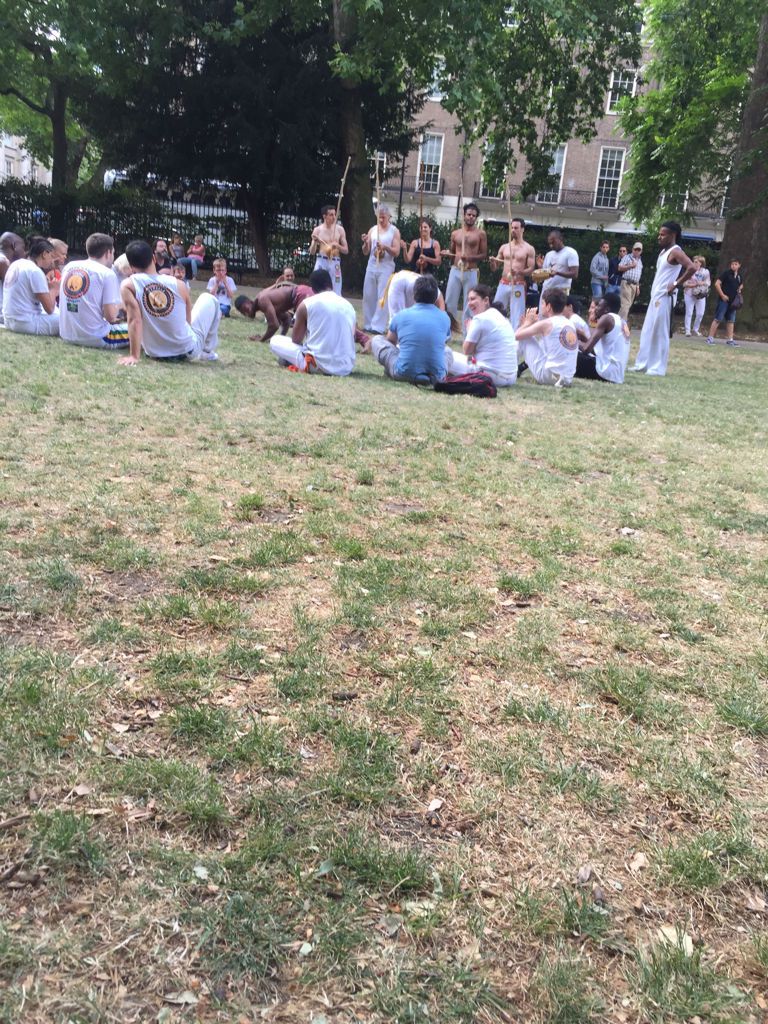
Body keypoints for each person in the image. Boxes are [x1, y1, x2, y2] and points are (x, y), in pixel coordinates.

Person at [117, 239, 220, 366]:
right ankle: (207, 351)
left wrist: (134, 356)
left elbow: (134, 320)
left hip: (154, 352)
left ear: (132, 267)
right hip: (187, 350)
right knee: (209, 298)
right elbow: (187, 322)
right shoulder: (179, 284)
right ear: (154, 259)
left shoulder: (128, 285)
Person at [631, 222, 694, 376]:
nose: (659, 237)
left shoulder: (676, 251)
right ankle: (642, 364)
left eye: (663, 234)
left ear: (672, 235)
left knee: (660, 332)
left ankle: (657, 368)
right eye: (659, 234)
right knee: (647, 331)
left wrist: (676, 283)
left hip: (665, 297)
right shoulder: (663, 252)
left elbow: (692, 267)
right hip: (656, 296)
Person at [269, 268, 356, 376]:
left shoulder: (307, 304)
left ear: (313, 289)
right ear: (331, 285)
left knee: (275, 340)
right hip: (345, 368)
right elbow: (352, 337)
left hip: (316, 364)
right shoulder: (349, 306)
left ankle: (294, 360)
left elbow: (296, 340)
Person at [370, 273, 453, 384]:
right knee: (447, 351)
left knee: (377, 340)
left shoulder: (401, 315)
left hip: (403, 373)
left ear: (414, 295)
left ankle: (393, 369)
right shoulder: (445, 318)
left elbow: (391, 342)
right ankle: (440, 373)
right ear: (435, 297)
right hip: (435, 376)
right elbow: (443, 342)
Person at [58, 232, 128, 349]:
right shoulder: (107, 274)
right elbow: (111, 317)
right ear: (108, 253)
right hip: (96, 336)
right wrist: (122, 305)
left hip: (66, 333)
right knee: (138, 328)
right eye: (113, 253)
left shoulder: (69, 267)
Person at [449, 284, 517, 386]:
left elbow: (467, 351)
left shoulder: (480, 319)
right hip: (511, 378)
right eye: (468, 300)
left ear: (486, 300)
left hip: (489, 375)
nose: (469, 303)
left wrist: (469, 330)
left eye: (473, 299)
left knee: (444, 354)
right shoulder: (501, 317)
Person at [514, 288, 578, 387]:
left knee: (524, 338)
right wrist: (531, 325)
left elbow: (516, 336)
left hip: (549, 377)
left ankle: (509, 370)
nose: (541, 306)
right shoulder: (570, 323)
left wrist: (527, 323)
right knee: (532, 338)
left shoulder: (547, 323)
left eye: (542, 303)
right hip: (567, 378)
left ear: (548, 307)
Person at [1, 236, 59, 336]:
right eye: (52, 256)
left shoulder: (16, 264)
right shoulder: (35, 271)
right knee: (66, 319)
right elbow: (49, 309)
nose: (52, 261)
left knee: (58, 312)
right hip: (25, 323)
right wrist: (54, 289)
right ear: (44, 254)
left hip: (9, 320)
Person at [441, 202, 488, 327]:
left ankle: (467, 332)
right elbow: (452, 252)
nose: (471, 217)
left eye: (474, 215)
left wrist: (469, 258)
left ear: (476, 217)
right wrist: (446, 253)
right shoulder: (455, 233)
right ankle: (449, 330)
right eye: (469, 214)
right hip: (455, 270)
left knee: (470, 302)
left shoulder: (480, 234)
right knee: (450, 301)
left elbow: (484, 254)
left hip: (471, 271)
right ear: (464, 215)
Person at [489, 217, 536, 329]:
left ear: (522, 229)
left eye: (516, 228)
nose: (513, 230)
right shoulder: (504, 247)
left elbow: (531, 269)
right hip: (503, 283)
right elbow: (494, 268)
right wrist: (492, 262)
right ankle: (494, 332)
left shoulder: (529, 249)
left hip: (518, 284)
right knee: (496, 310)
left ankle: (516, 337)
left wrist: (519, 272)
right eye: (512, 228)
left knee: (517, 314)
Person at [573, 292, 630, 383]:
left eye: (599, 306)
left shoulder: (607, 318)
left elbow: (586, 349)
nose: (596, 309)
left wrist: (573, 341)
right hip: (617, 375)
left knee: (569, 353)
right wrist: (583, 339)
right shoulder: (622, 322)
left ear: (606, 309)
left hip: (605, 372)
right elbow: (595, 351)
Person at [361, 205, 401, 333]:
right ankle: (368, 324)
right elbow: (365, 251)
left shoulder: (394, 231)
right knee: (368, 294)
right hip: (372, 264)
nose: (381, 220)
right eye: (379, 217)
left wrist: (385, 247)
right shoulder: (373, 230)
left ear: (389, 216)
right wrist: (365, 242)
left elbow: (396, 252)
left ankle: (378, 326)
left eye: (383, 217)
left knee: (382, 295)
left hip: (386, 266)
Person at [234, 282, 313, 343]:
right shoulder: (266, 305)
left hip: (301, 294)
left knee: (306, 327)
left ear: (250, 302)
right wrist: (281, 337)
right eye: (243, 313)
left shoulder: (261, 301)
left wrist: (261, 339)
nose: (246, 313)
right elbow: (286, 319)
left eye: (245, 309)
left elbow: (274, 325)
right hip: (302, 292)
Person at [310, 205, 349, 295]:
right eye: (331, 215)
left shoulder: (340, 230)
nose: (334, 217)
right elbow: (312, 252)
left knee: (336, 289)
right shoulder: (318, 230)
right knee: (318, 287)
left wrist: (337, 245)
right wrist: (315, 242)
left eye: (335, 214)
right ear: (324, 216)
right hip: (322, 260)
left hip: (335, 262)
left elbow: (346, 250)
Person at [706, 259, 743, 347]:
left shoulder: (739, 276)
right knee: (718, 319)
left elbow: (741, 284)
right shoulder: (726, 273)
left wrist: (740, 288)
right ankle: (710, 338)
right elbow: (717, 284)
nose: (733, 265)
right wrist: (722, 295)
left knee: (731, 321)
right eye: (732, 264)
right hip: (724, 300)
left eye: (736, 264)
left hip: (733, 302)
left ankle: (730, 340)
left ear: (739, 265)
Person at [539, 230, 579, 308]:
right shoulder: (549, 254)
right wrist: (540, 268)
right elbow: (547, 274)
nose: (551, 246)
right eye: (549, 243)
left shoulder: (571, 252)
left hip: (561, 292)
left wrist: (557, 273)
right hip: (546, 290)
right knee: (543, 313)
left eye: (553, 242)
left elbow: (575, 274)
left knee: (557, 314)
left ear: (560, 239)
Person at [0, 231, 26, 325]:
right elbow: (11, 293)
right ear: (14, 246)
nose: (24, 253)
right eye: (23, 248)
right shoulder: (3, 262)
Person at [682, 255, 711, 337]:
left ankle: (695, 329)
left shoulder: (705, 272)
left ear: (701, 263)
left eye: (696, 262)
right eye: (693, 261)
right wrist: (693, 285)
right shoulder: (689, 270)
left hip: (700, 294)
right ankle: (687, 331)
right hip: (689, 293)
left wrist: (701, 283)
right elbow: (684, 283)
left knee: (700, 313)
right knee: (689, 312)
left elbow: (708, 283)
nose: (694, 263)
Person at [618, 242, 643, 321]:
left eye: (639, 250)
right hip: (626, 283)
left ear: (641, 251)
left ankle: (618, 321)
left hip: (634, 285)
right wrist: (631, 266)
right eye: (635, 249)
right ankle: (622, 323)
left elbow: (638, 275)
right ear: (632, 249)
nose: (637, 251)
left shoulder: (640, 261)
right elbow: (619, 268)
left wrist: (637, 287)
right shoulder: (627, 257)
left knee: (628, 305)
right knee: (625, 304)